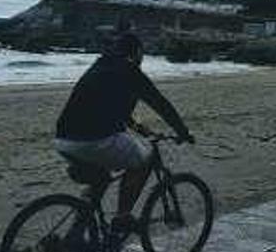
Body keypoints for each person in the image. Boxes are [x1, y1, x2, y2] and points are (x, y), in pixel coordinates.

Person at [54, 33, 193, 241]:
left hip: (63, 140)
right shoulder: (130, 70)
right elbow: (160, 103)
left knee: (100, 179)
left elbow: (112, 106)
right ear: (137, 52)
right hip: (93, 140)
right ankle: (123, 217)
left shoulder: (100, 66)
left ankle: (75, 235)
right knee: (144, 160)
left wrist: (138, 127)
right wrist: (183, 131)